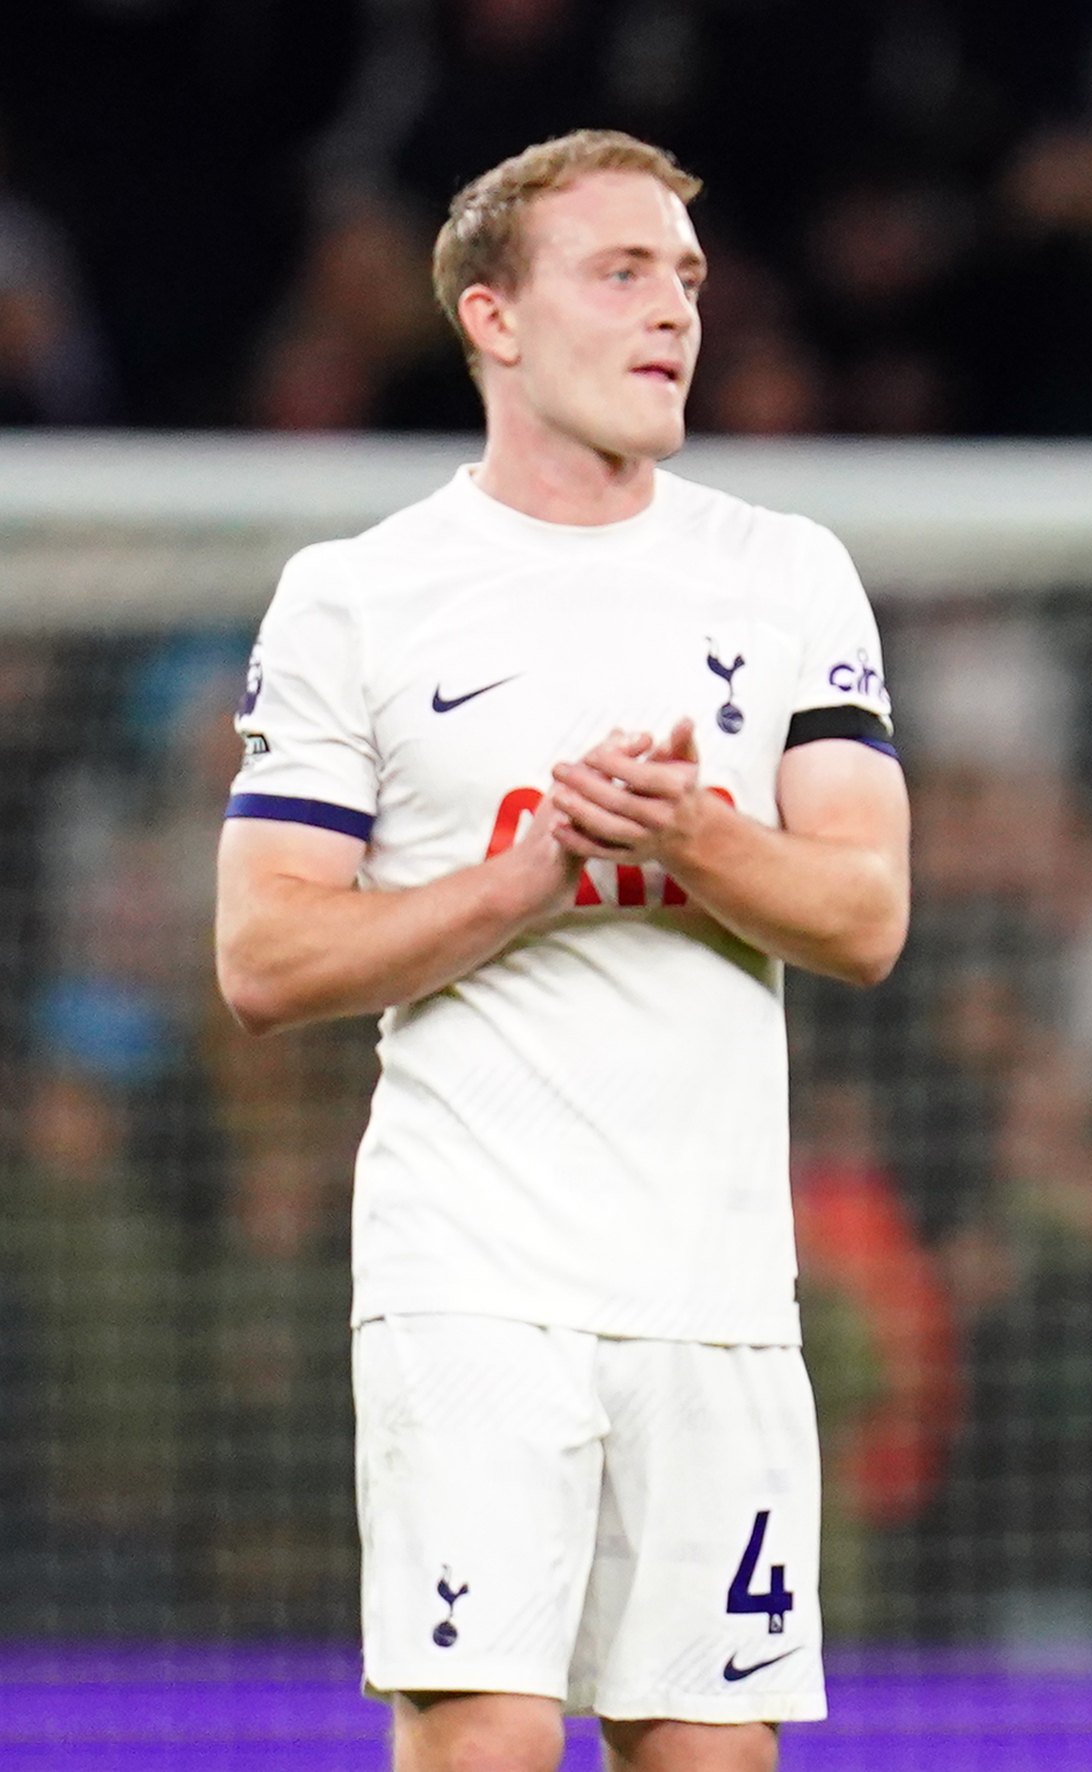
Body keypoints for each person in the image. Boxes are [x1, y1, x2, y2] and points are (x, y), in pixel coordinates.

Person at [212, 130, 911, 1772]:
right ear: (493, 320)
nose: (673, 310)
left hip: (718, 1284)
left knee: (707, 1752)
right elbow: (265, 954)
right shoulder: (359, 597)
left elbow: (864, 914)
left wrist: (689, 835)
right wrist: (521, 882)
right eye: (620, 272)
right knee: (492, 1734)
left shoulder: (784, 572)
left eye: (685, 278)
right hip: (472, 1270)